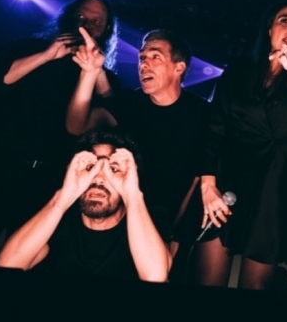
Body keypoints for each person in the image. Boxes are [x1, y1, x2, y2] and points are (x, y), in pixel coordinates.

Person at [0, 0, 119, 266]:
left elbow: (114, 113)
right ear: (68, 16)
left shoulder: (103, 77)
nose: (85, 24)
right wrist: (45, 55)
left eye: (96, 21)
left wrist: (97, 70)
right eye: (81, 16)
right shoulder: (27, 46)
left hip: (48, 179)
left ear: (106, 29)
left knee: (25, 260)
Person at [195, 0, 287, 291]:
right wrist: (208, 184)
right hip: (228, 178)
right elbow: (213, 128)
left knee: (255, 291)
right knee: (207, 284)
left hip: (272, 185)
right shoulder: (240, 69)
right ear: (269, 29)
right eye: (285, 20)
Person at [66, 28, 209, 271]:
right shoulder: (131, 104)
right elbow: (77, 126)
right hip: (123, 217)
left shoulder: (202, 114)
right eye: (142, 57)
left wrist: (176, 234)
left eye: (155, 56)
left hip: (172, 225)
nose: (143, 64)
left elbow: (198, 178)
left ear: (179, 67)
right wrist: (89, 74)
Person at [0, 129, 172, 282]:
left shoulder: (147, 216)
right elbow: (7, 266)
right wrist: (62, 199)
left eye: (113, 169)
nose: (98, 178)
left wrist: (132, 196)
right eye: (89, 167)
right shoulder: (55, 218)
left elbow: (155, 276)